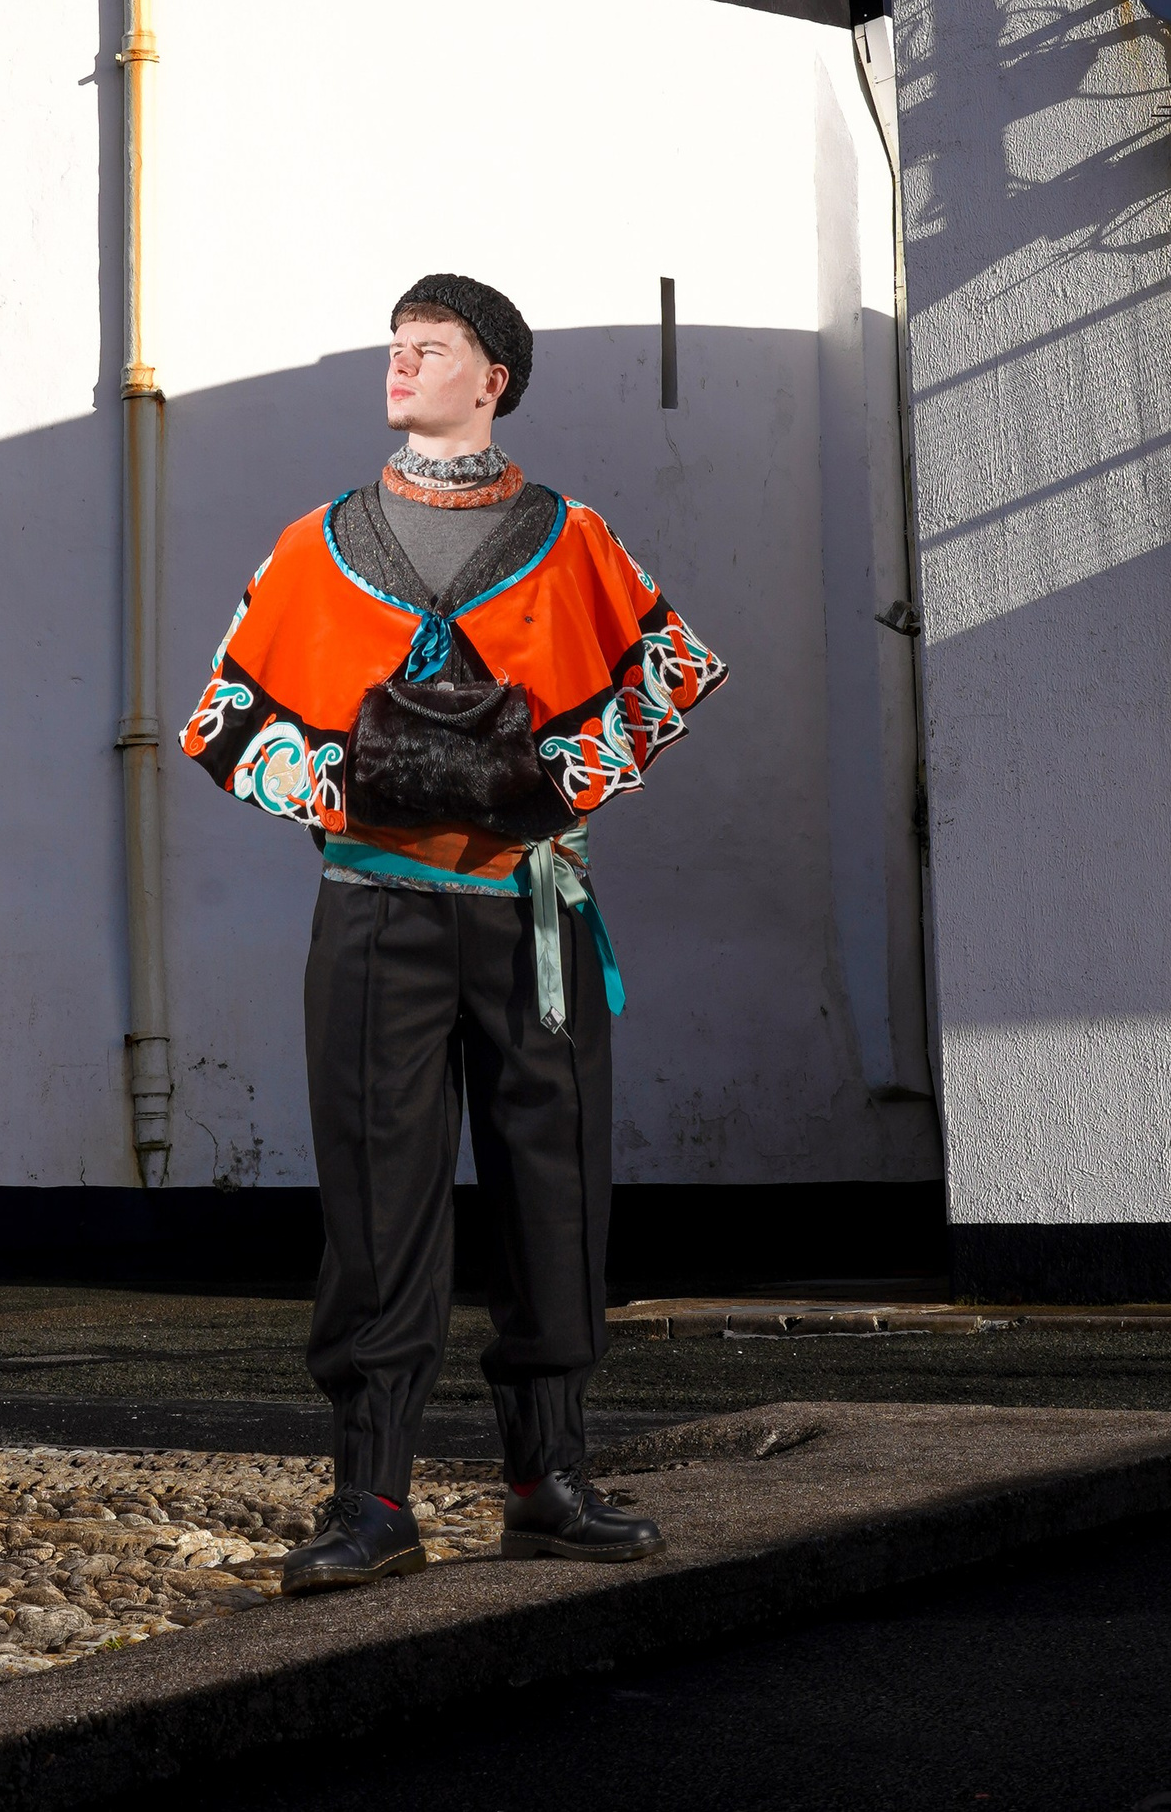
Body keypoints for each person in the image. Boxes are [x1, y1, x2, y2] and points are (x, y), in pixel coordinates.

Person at [180, 271, 727, 1592]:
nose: (402, 360)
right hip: (375, 911)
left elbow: (673, 668)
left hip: (534, 908)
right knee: (378, 1197)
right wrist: (342, 787)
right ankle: (371, 1496)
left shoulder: (572, 533)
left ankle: (550, 1476)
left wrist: (556, 782)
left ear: (494, 377)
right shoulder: (318, 543)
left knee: (555, 1181)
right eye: (395, 343)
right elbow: (221, 718)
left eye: (433, 345)